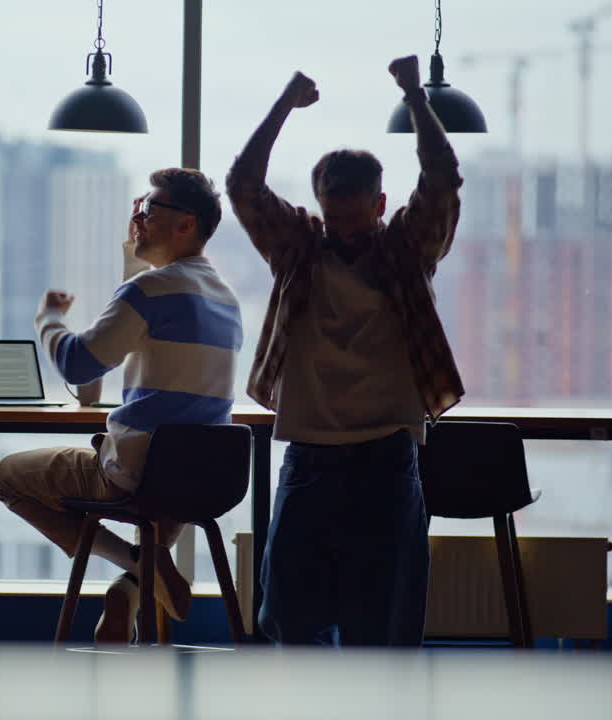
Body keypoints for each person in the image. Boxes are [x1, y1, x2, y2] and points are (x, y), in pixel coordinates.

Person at [227, 56, 465, 646]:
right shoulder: (300, 249)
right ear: (320, 209)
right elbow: (243, 187)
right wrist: (284, 103)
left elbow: (441, 180)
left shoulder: (406, 252)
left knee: (380, 629)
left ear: (381, 207)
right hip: (309, 457)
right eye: (335, 221)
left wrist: (415, 93)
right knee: (289, 621)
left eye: (357, 221)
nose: (346, 233)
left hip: (386, 459)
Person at [0, 168, 242, 644]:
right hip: (206, 479)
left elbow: (79, 365)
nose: (138, 220)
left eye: (148, 210)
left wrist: (48, 318)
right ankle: (130, 590)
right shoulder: (226, 299)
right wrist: (137, 258)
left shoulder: (149, 292)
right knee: (156, 503)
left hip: (139, 472)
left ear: (185, 223)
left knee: (8, 477)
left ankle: (136, 564)